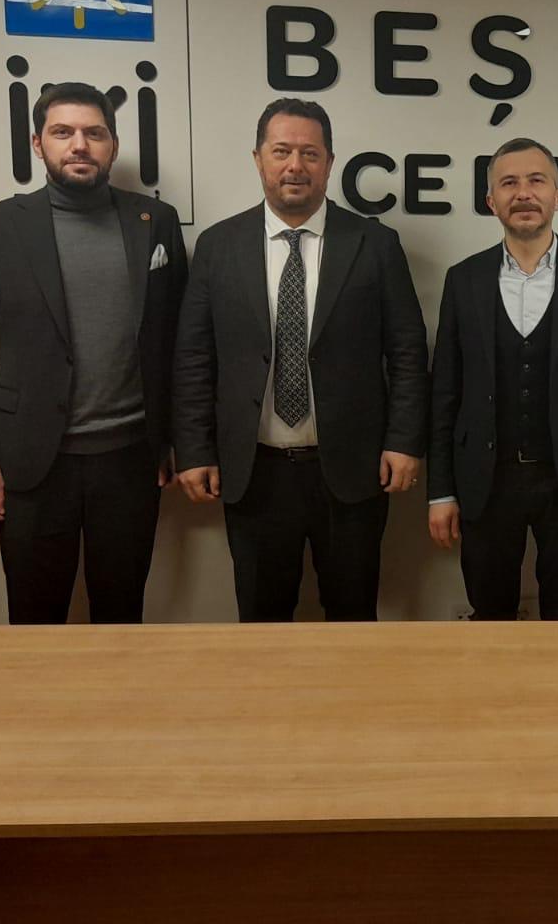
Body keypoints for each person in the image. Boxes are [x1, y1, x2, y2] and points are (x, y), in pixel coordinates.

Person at [172, 98, 428, 622]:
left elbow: (406, 350)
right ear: (258, 159)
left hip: (352, 469)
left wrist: (404, 441)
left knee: (353, 615)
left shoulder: (375, 244)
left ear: (329, 162)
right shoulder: (218, 246)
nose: (295, 166)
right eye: (281, 151)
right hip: (255, 472)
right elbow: (194, 356)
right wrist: (195, 450)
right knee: (262, 620)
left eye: (310, 153)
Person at [0, 82, 188, 624]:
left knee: (122, 617)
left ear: (113, 145)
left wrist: (172, 439)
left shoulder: (156, 220)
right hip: (30, 464)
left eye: (94, 133)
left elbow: (175, 340)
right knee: (35, 620)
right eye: (63, 132)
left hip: (130, 461)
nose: (79, 144)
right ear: (38, 144)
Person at [426, 138, 558, 619]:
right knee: (489, 614)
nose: (523, 193)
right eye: (509, 183)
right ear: (491, 201)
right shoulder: (464, 279)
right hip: (485, 480)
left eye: (536, 180)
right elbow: (445, 395)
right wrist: (440, 491)